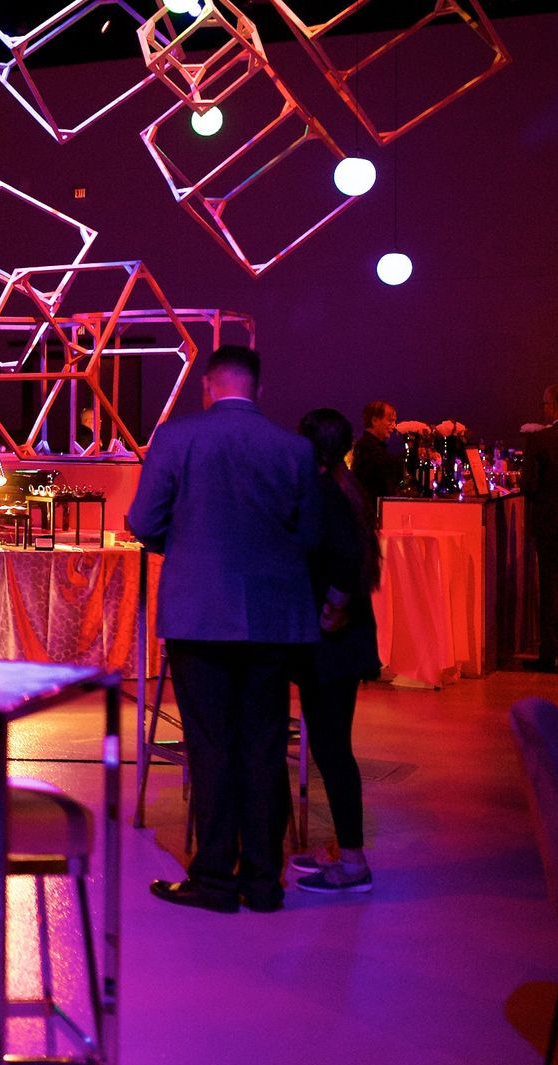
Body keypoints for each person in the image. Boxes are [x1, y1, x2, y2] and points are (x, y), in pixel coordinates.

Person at [125, 345, 319, 914]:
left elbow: (144, 521)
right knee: (263, 746)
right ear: (259, 388)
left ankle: (213, 877)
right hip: (272, 618)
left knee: (209, 745)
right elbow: (310, 535)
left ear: (207, 387)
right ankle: (262, 881)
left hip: (199, 613)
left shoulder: (176, 438)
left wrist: (184, 546)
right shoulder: (294, 448)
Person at [290, 408, 382, 894]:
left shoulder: (325, 493)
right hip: (340, 646)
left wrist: (332, 608)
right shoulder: (347, 489)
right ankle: (348, 853)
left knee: (332, 751)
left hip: (332, 647)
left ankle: (353, 862)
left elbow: (345, 560)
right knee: (332, 748)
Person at [524, 383, 558, 672]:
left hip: (552, 526)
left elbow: (529, 486)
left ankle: (551, 654)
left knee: (552, 588)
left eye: (544, 404)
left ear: (553, 406)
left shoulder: (541, 440)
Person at [350, 400, 403, 512]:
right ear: (374, 420)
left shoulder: (372, 446)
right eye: (390, 420)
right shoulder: (367, 448)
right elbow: (387, 471)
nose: (394, 426)